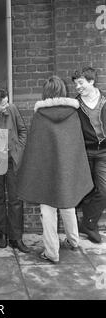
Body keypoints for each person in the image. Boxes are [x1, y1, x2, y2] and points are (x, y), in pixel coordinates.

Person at [17, 76, 94, 263]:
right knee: (69, 204)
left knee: (48, 210)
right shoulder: (73, 114)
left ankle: (52, 252)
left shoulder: (39, 116)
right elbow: (76, 146)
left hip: (46, 173)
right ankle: (73, 241)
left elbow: (35, 149)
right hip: (66, 170)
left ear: (46, 93)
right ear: (63, 91)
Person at [0, 85, 30, 253]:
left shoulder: (12, 109)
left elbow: (23, 131)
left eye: (7, 102)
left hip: (12, 161)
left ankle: (16, 238)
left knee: (16, 200)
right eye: (3, 104)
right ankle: (2, 233)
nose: (7, 105)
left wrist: (19, 149)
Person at [72, 67, 106, 243]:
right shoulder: (75, 105)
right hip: (84, 152)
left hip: (103, 153)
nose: (77, 86)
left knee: (104, 190)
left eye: (80, 82)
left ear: (91, 81)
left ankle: (87, 223)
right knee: (86, 189)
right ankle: (89, 225)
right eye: (75, 83)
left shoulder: (105, 100)